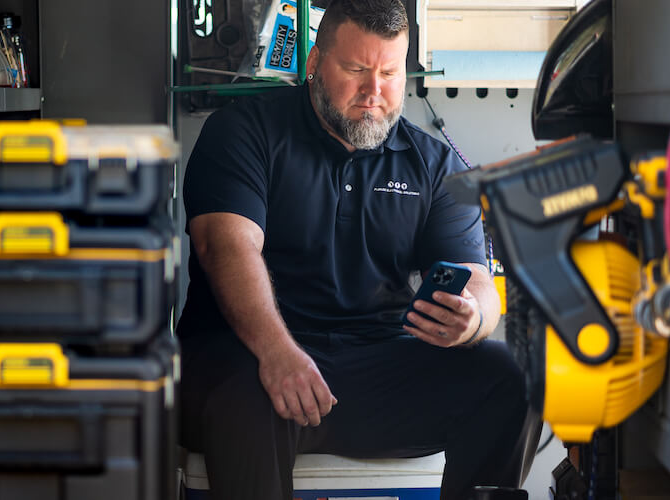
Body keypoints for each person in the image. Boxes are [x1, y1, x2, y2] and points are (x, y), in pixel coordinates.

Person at [176, 1, 530, 499]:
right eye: (356, 69)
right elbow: (226, 246)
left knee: (506, 376)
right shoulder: (243, 132)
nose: (374, 92)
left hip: (374, 368)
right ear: (315, 62)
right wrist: (278, 354)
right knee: (248, 396)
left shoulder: (433, 165)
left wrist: (471, 319)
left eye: (389, 73)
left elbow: (475, 278)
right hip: (249, 360)